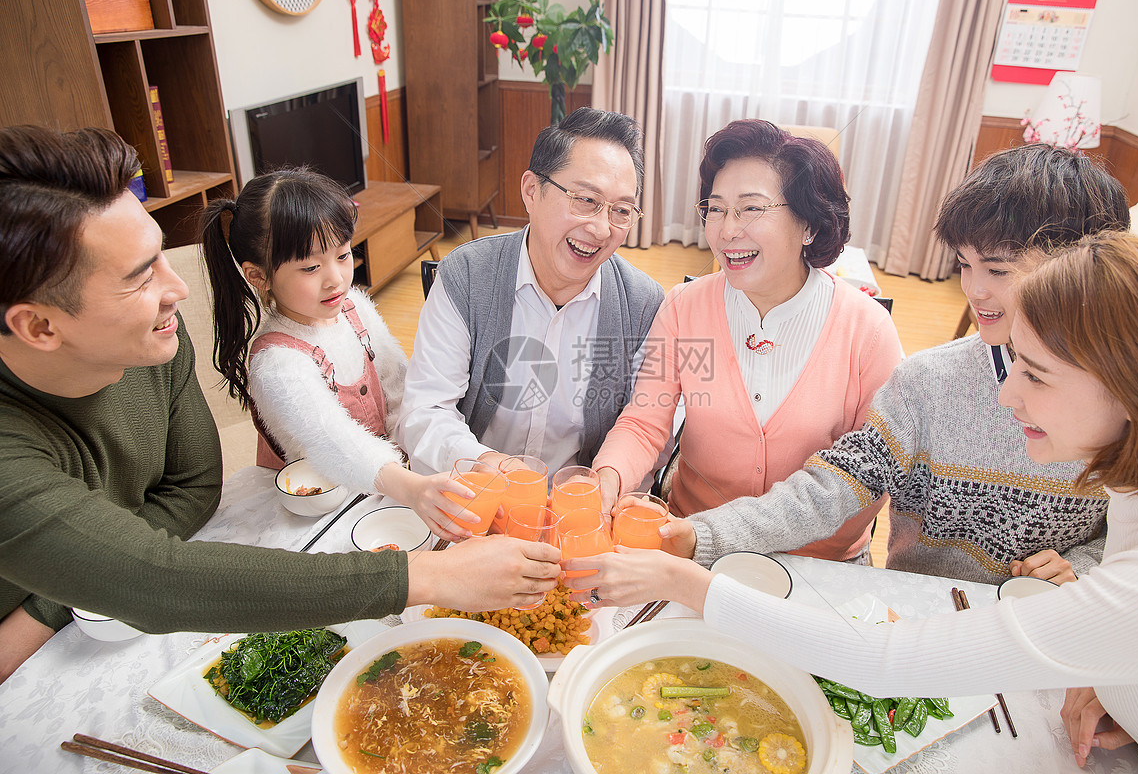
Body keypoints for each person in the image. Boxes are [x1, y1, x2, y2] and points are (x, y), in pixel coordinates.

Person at [572, 232, 1138, 773]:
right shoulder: (689, 307)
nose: (1006, 398)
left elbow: (883, 661)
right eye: (715, 205)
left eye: (1035, 374)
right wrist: (1132, 687)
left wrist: (680, 581)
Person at [0, 126, 560, 682]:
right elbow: (154, 579)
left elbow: (194, 490)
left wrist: (86, 567)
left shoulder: (157, 345)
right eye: (141, 275)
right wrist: (97, 570)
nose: (180, 290)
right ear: (38, 326)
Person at [655, 143, 1131, 585]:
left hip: (1054, 633)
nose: (974, 290)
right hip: (917, 614)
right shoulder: (927, 382)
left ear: (1085, 267)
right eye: (964, 265)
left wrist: (1084, 567)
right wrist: (703, 536)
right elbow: (839, 485)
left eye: (998, 270)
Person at [591, 119, 903, 562]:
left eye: (751, 209)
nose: (726, 230)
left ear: (809, 224)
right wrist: (607, 479)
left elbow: (867, 478)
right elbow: (645, 422)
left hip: (818, 564)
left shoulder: (867, 331)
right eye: (715, 209)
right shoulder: (686, 308)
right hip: (689, 544)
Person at [199, 167, 472, 541]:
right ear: (259, 276)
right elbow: (335, 443)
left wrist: (431, 454)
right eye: (311, 267)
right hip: (319, 505)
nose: (336, 279)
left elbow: (400, 395)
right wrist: (410, 487)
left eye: (343, 255)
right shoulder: (276, 361)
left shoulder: (354, 308)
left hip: (386, 483)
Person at [399, 107, 665, 477]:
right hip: (478, 491)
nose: (602, 229)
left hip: (578, 510)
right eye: (586, 200)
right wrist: (488, 466)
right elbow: (425, 411)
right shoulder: (467, 276)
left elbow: (646, 425)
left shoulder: (643, 304)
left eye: (621, 210)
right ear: (531, 191)